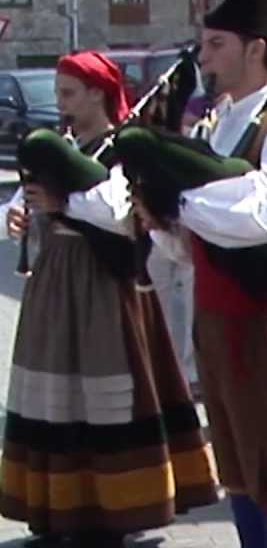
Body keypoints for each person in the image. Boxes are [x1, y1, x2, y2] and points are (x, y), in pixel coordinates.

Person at [136, 0, 267, 547]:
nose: (205, 57)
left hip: (259, 315)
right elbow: (196, 239)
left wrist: (181, 202)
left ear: (255, 48)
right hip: (214, 313)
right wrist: (162, 220)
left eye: (217, 44)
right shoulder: (217, 123)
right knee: (235, 461)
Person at [0, 51, 217, 547]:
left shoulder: (124, 148)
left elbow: (120, 213)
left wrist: (63, 204)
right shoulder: (60, 145)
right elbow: (23, 200)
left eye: (69, 94)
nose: (61, 103)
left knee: (103, 393)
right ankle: (56, 508)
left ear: (98, 93)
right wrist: (16, 215)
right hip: (54, 280)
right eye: (59, 94)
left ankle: (109, 511)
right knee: (54, 394)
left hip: (103, 284)